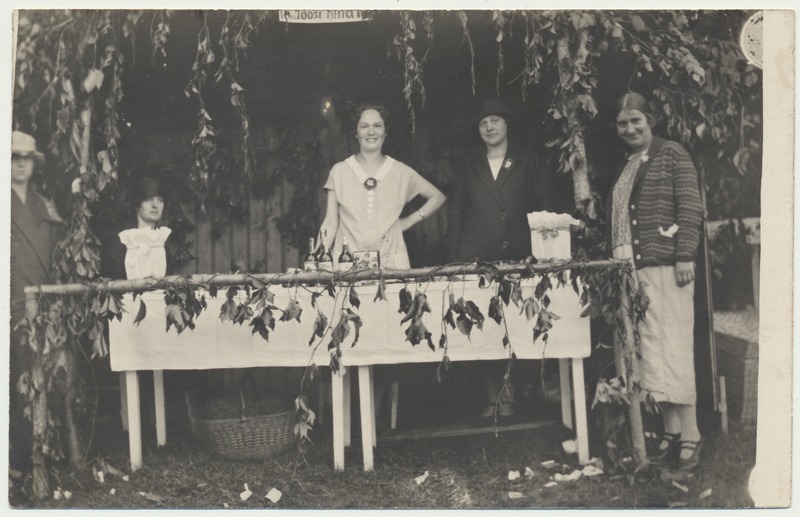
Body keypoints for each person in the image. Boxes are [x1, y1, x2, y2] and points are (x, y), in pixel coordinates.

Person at [608, 92, 704, 470]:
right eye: (623, 123)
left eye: (637, 121)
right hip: (630, 269)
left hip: (665, 264)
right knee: (648, 348)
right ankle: (671, 429)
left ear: (650, 121)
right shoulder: (629, 162)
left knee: (673, 344)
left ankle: (692, 433)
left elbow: (691, 205)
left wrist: (685, 255)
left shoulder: (672, 154)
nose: (630, 128)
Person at [446, 98, 556, 419]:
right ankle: (493, 395)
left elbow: (545, 209)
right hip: (478, 259)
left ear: (507, 125)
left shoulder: (528, 161)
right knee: (483, 328)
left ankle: (515, 392)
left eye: (495, 121)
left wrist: (544, 255)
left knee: (520, 327)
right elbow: (456, 214)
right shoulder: (469, 166)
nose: (490, 127)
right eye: (483, 123)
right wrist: (455, 260)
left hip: (520, 258)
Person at [319, 103, 446, 267]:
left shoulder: (400, 171)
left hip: (391, 257)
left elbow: (437, 197)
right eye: (364, 126)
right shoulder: (339, 171)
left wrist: (409, 221)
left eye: (377, 126)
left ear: (385, 132)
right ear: (356, 133)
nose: (371, 132)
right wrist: (317, 256)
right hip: (346, 260)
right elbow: (330, 221)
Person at [9, 130, 65, 475]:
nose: (18, 165)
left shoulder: (45, 205)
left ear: (34, 163)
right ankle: (16, 463)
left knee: (43, 383)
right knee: (15, 384)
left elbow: (58, 257)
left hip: (43, 311)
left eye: (25, 158)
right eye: (12, 157)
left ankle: (42, 455)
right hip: (10, 307)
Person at [100, 176, 171, 280]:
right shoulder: (121, 236)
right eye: (149, 200)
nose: (155, 205)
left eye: (160, 200)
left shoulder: (161, 238)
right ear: (137, 204)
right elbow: (114, 277)